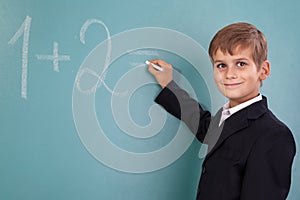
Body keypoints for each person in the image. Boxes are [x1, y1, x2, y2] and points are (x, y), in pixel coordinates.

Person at [147, 22, 296, 200]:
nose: (229, 74)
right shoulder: (226, 117)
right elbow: (202, 125)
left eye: (240, 64)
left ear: (263, 70)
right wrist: (169, 85)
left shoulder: (273, 135)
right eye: (221, 65)